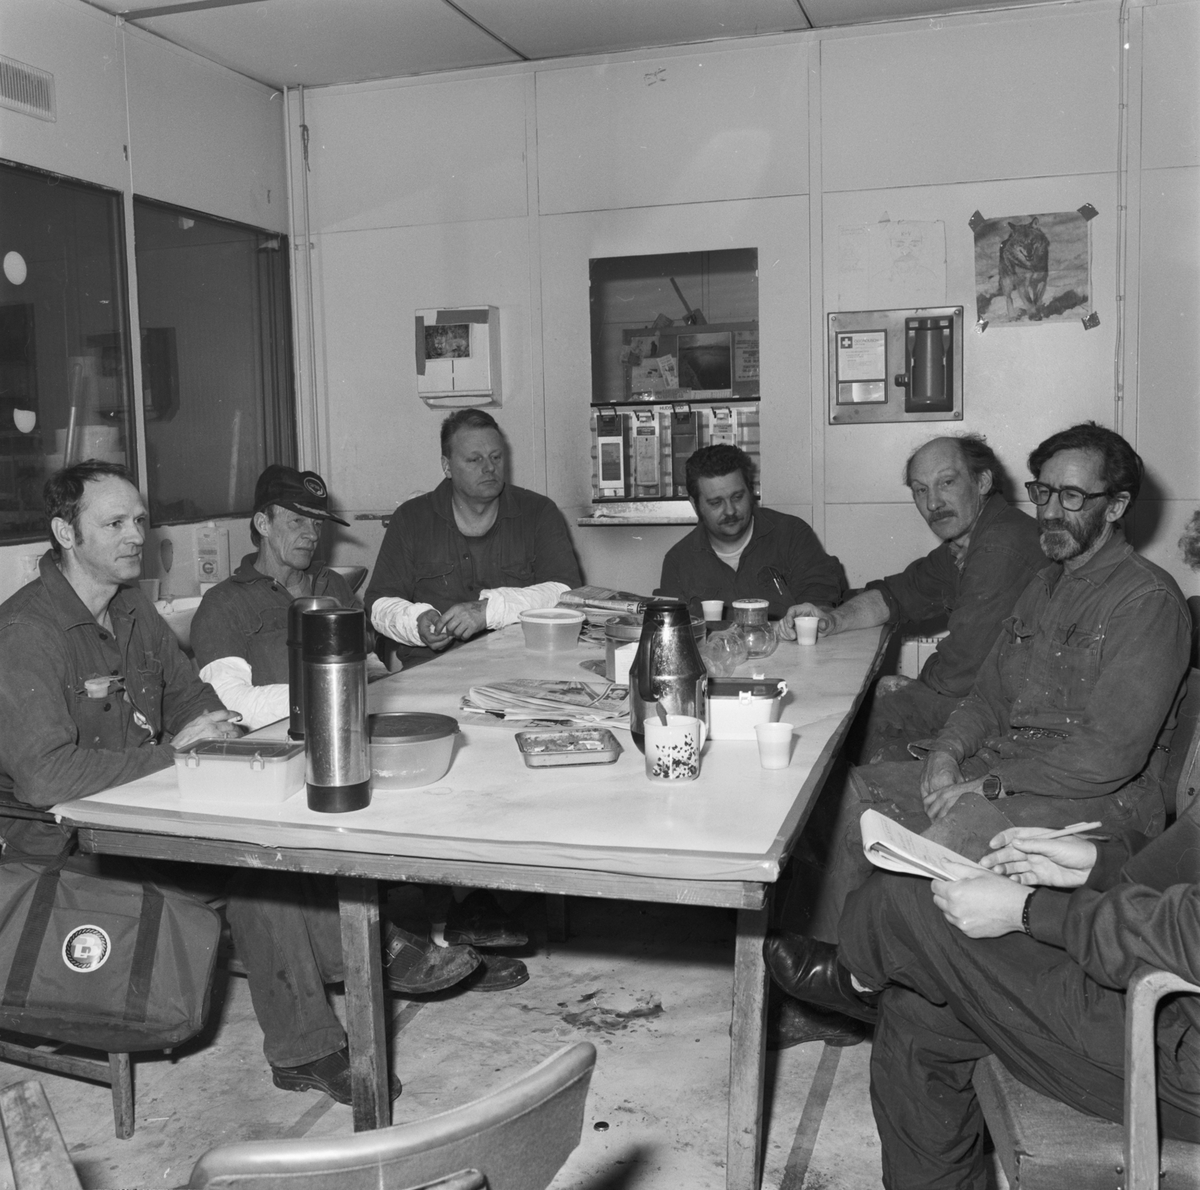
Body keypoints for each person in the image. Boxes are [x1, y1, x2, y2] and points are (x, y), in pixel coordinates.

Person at [0, 461, 434, 1105]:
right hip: (61, 846)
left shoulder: (130, 607)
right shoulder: (26, 632)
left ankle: (353, 964)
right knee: (255, 873)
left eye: (139, 520)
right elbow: (44, 777)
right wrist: (175, 756)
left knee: (275, 830)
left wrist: (214, 729)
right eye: (114, 523)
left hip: (137, 808)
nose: (135, 536)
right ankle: (325, 1013)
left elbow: (190, 697)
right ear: (66, 533)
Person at [770, 423, 1192, 1040]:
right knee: (850, 798)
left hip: (1099, 801)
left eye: (1073, 496)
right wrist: (946, 754)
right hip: (1011, 769)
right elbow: (988, 695)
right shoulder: (1045, 584)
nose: (1051, 510)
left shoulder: (1145, 601)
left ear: (1116, 506)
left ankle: (877, 980)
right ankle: (842, 992)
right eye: (1043, 492)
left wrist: (985, 785)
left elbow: (1107, 756)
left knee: (942, 836)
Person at [190, 464, 518, 992]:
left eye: (317, 523)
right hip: (282, 760)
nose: (310, 534)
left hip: (351, 738)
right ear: (262, 523)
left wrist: (394, 690)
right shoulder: (223, 604)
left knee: (447, 767)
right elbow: (234, 707)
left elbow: (369, 668)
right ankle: (409, 948)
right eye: (296, 521)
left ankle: (454, 919)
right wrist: (334, 697)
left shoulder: (332, 586)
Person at [764, 803, 1200, 1188]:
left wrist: (1027, 910)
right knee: (919, 1008)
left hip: (1170, 1047)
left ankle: (855, 980)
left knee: (906, 899)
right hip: (1160, 981)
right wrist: (1102, 862)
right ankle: (874, 972)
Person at [780, 435, 1044, 763]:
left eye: (947, 482)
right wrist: (833, 619)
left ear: (983, 481)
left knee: (868, 712)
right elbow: (898, 594)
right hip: (997, 701)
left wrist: (910, 687)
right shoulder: (969, 540)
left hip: (1020, 722)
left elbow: (958, 674)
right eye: (921, 490)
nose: (933, 503)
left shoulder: (998, 548)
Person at [366, 408, 582, 668]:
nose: (489, 467)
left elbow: (565, 593)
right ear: (447, 466)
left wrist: (488, 611)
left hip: (520, 670)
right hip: (432, 674)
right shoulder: (411, 519)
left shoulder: (539, 512)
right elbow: (378, 604)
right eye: (474, 459)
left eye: (496, 457)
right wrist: (414, 622)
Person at [656, 444, 845, 618]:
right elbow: (671, 628)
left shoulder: (792, 535)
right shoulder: (678, 561)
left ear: (751, 491)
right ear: (695, 504)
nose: (730, 511)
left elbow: (820, 612)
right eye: (716, 503)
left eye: (737, 497)